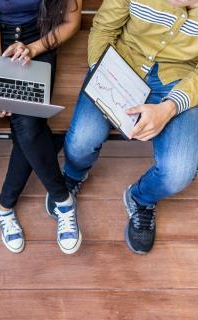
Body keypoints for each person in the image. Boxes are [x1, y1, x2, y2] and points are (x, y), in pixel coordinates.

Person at [63, 0, 198, 254]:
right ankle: (73, 174)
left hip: (178, 81)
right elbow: (103, 28)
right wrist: (105, 78)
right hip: (120, 65)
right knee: (81, 140)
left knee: (179, 171)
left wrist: (169, 108)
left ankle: (140, 199)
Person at [0, 0, 83, 254]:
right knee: (30, 126)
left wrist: (33, 49)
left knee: (28, 123)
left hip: (40, 36)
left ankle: (5, 205)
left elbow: (72, 22)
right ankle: (63, 199)